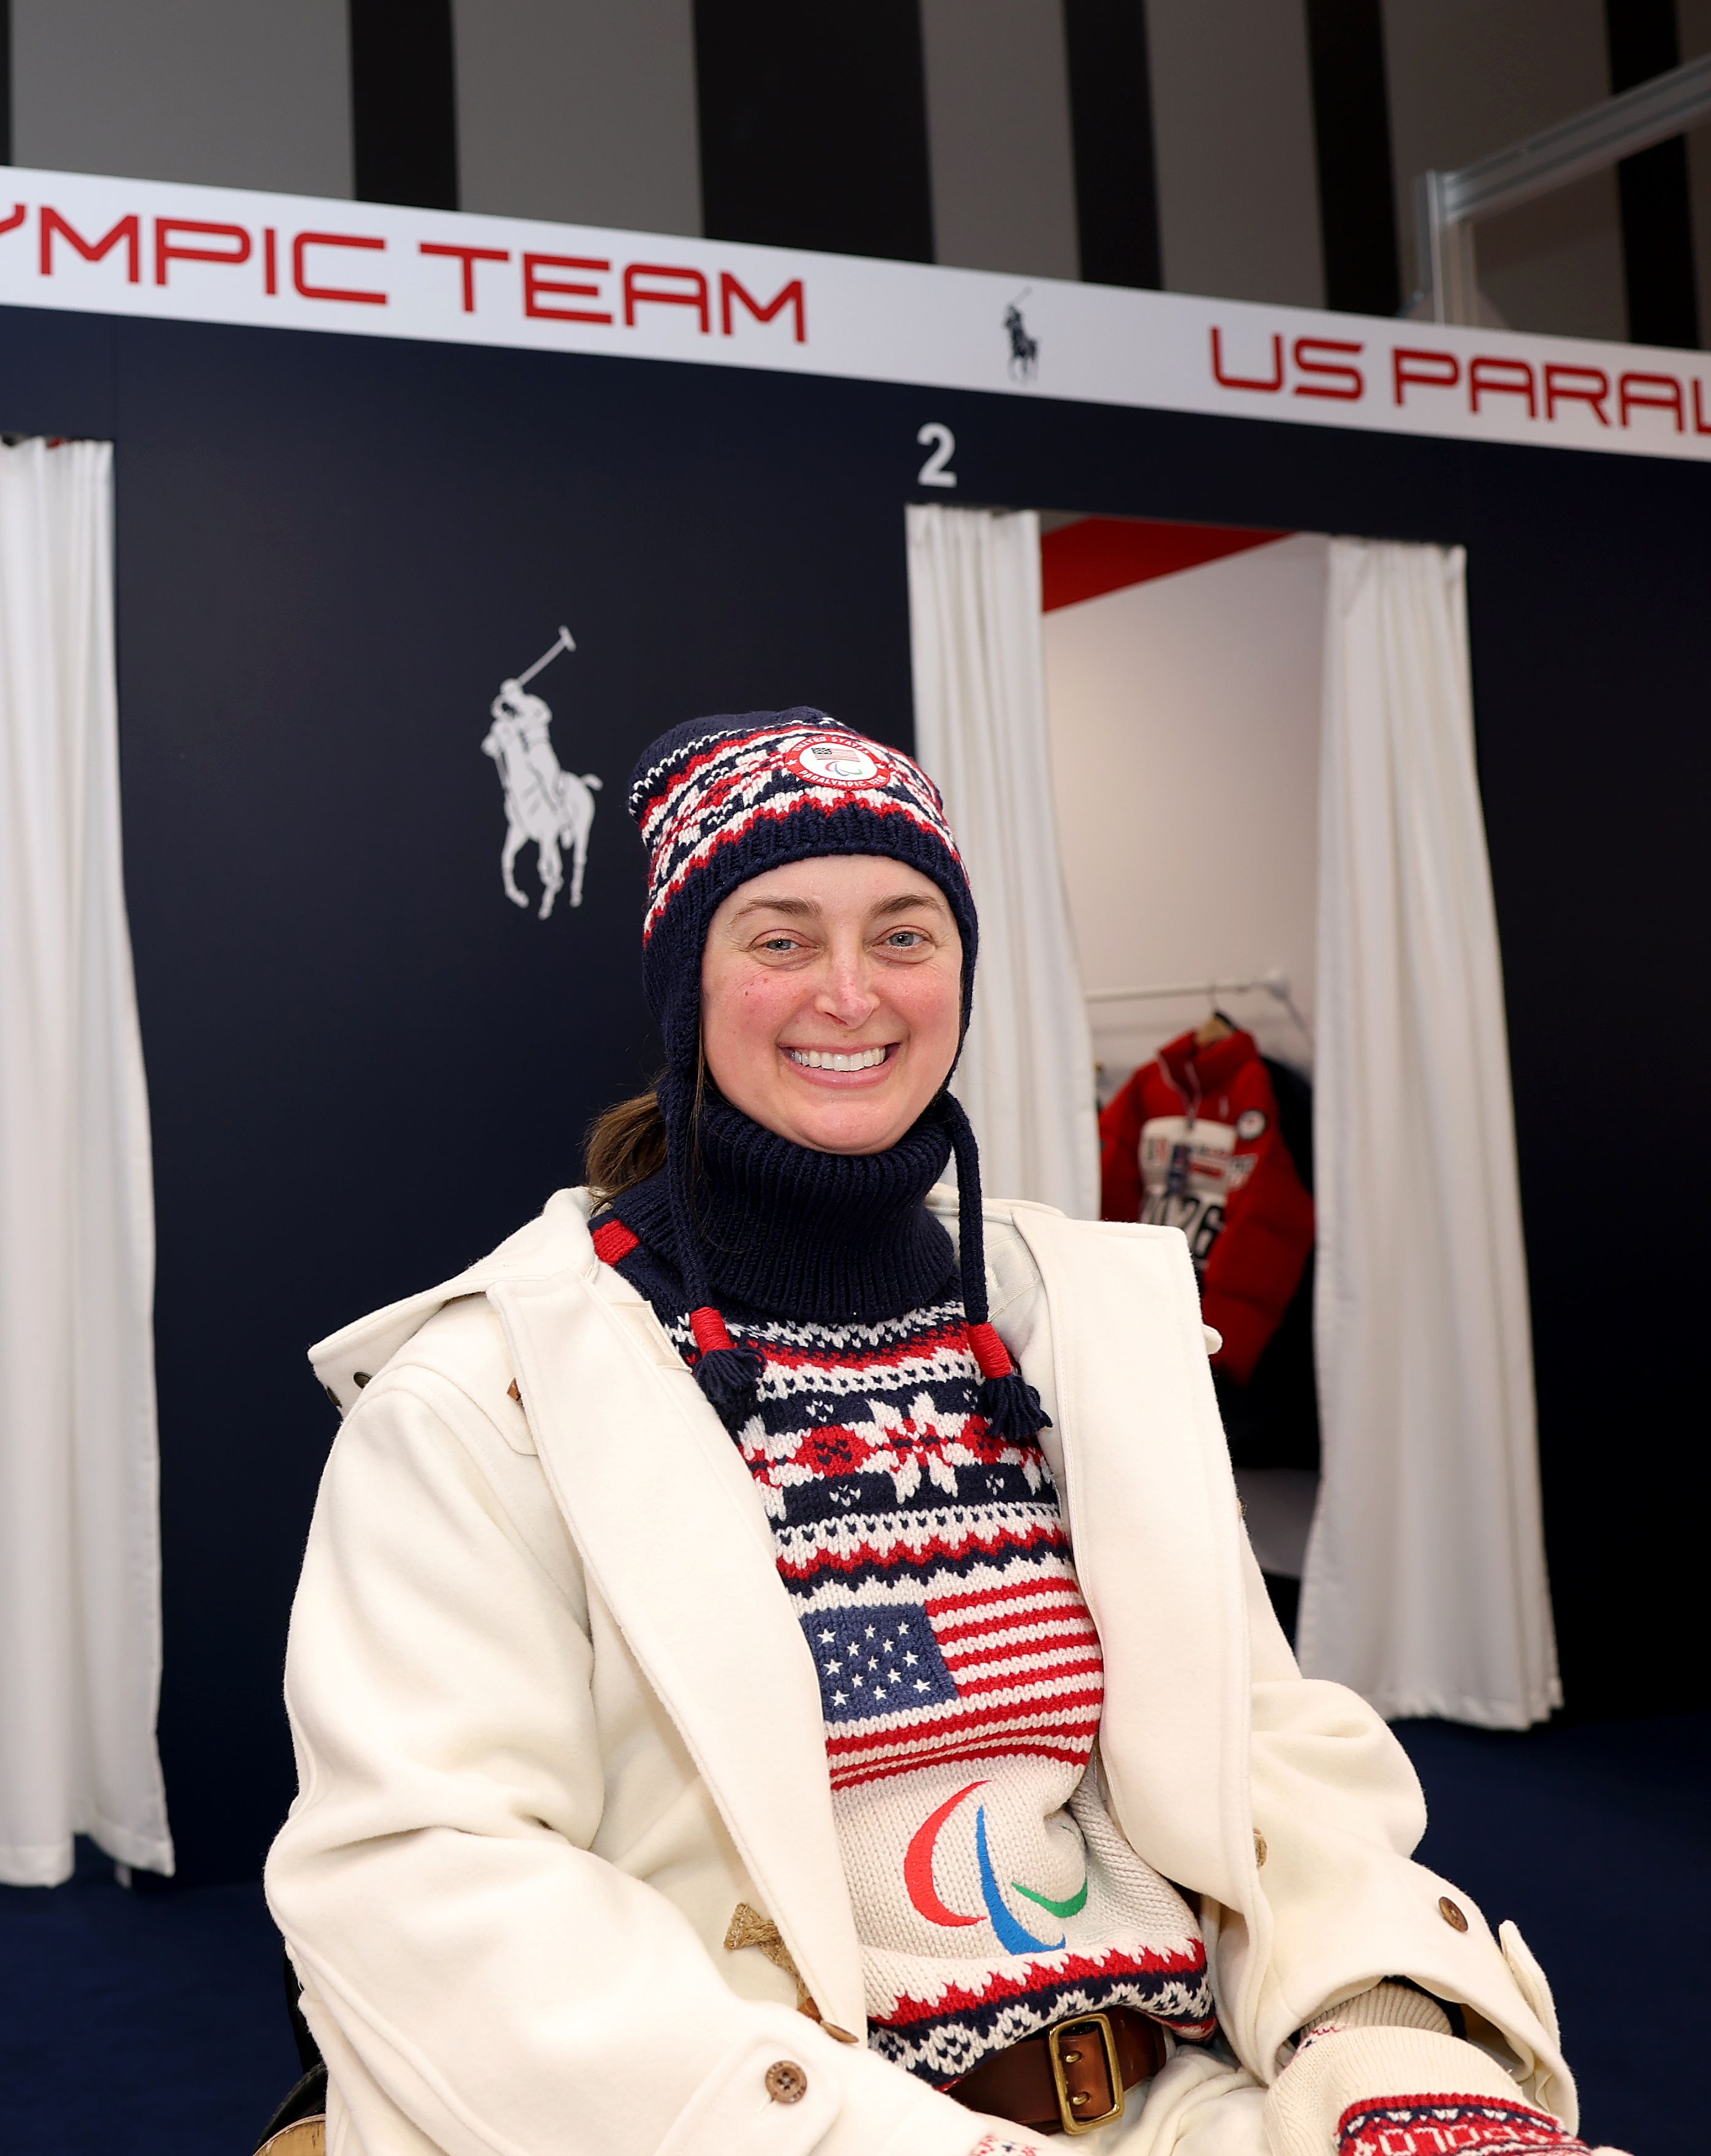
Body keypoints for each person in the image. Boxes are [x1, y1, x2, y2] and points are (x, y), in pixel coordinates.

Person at [265, 710, 1605, 2156]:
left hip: (1179, 2094)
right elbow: (430, 1885)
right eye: (779, 937)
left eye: (905, 933)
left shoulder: (1077, 1323)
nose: (852, 991)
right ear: (684, 988)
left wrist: (1397, 2042)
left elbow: (1263, 1754)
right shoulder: (489, 1394)